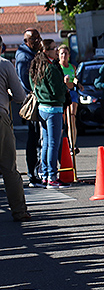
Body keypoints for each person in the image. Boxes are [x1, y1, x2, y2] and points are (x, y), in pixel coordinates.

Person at [30, 40, 68, 189]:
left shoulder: (36, 66)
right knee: (53, 143)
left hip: (42, 107)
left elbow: (33, 86)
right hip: (53, 107)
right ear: (46, 51)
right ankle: (52, 176)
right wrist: (64, 88)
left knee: (46, 142)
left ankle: (45, 174)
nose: (56, 50)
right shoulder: (51, 68)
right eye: (54, 48)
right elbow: (57, 89)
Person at [0, 35, 31, 221]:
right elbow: (20, 96)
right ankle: (19, 210)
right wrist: (9, 93)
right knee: (8, 167)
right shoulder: (4, 65)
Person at [15, 29, 42, 187]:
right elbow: (25, 83)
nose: (38, 40)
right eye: (34, 39)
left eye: (38, 37)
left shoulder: (34, 54)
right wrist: (36, 94)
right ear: (26, 41)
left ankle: (37, 172)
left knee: (38, 137)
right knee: (34, 138)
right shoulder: (24, 57)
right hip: (33, 102)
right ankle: (33, 174)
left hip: (38, 100)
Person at [57, 44, 78, 154]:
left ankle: (72, 145)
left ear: (69, 55)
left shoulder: (72, 67)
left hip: (72, 93)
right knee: (62, 122)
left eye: (66, 53)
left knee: (71, 119)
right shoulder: (57, 67)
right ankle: (60, 145)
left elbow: (75, 79)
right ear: (58, 55)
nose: (64, 56)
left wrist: (77, 83)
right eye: (62, 53)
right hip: (61, 95)